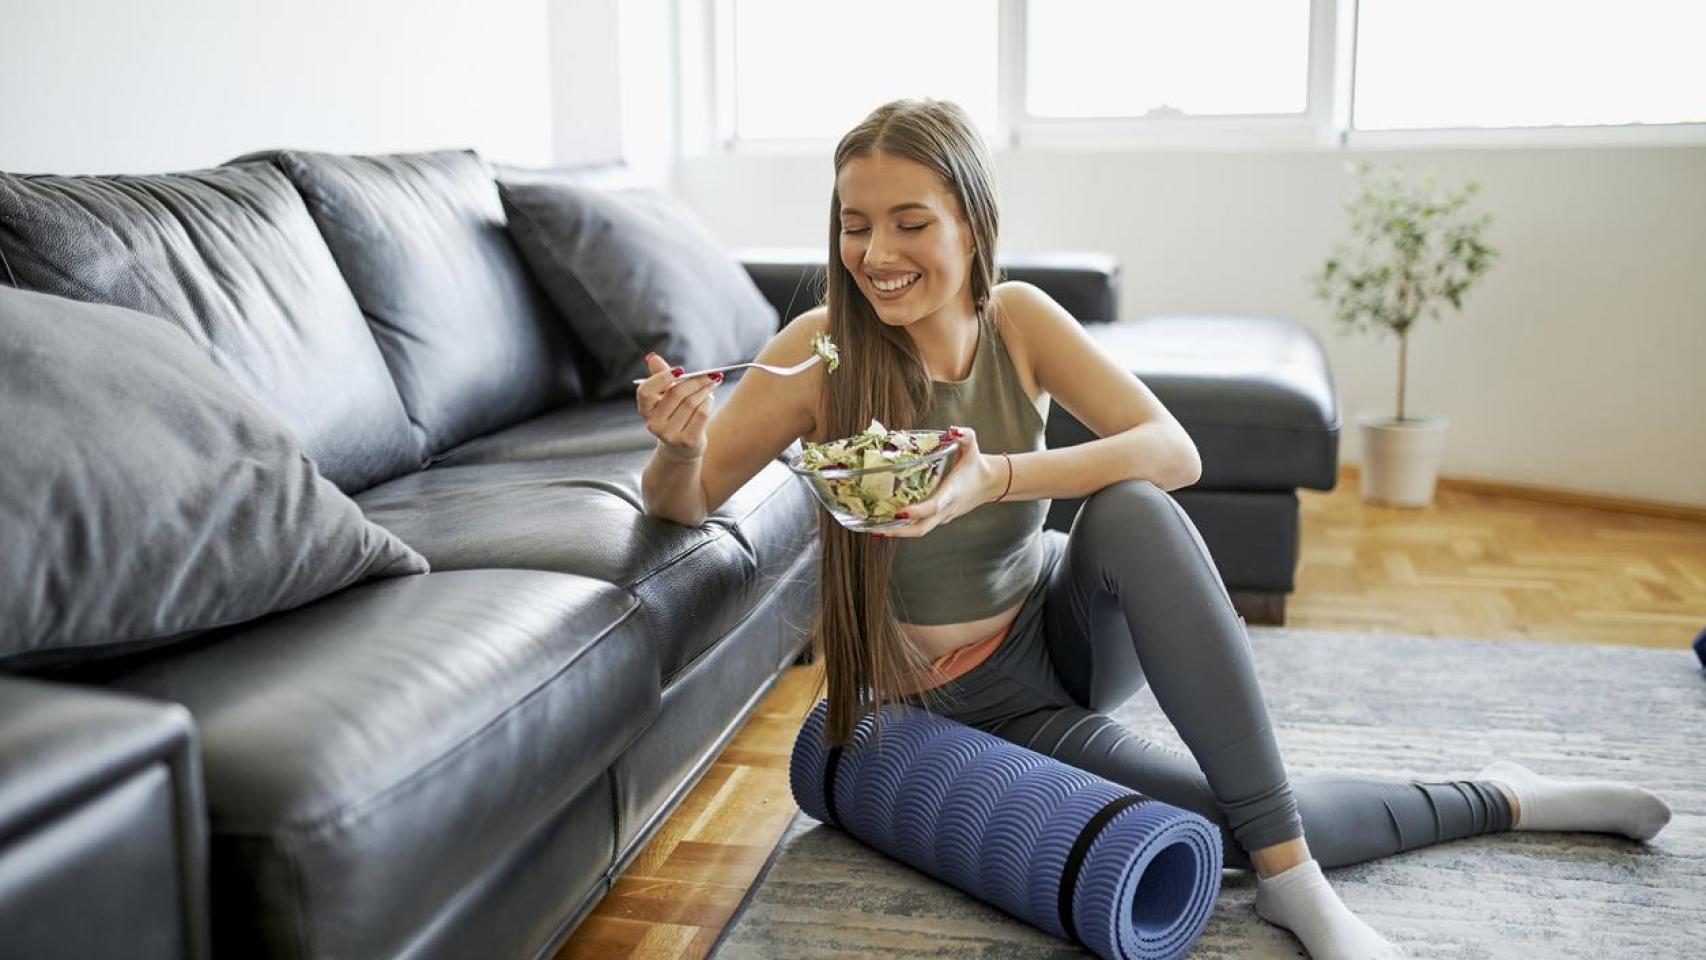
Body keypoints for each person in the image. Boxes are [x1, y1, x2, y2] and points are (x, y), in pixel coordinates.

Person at [633, 98, 1671, 960]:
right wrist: (677, 445)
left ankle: (1295, 886)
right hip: (941, 705)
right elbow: (682, 501)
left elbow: (1174, 451)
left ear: (969, 225)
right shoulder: (816, 352)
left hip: (1055, 640)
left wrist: (993, 475)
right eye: (854, 224)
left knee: (1133, 505)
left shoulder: (1022, 322)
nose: (876, 252)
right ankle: (1505, 796)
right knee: (1239, 809)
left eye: (910, 221)